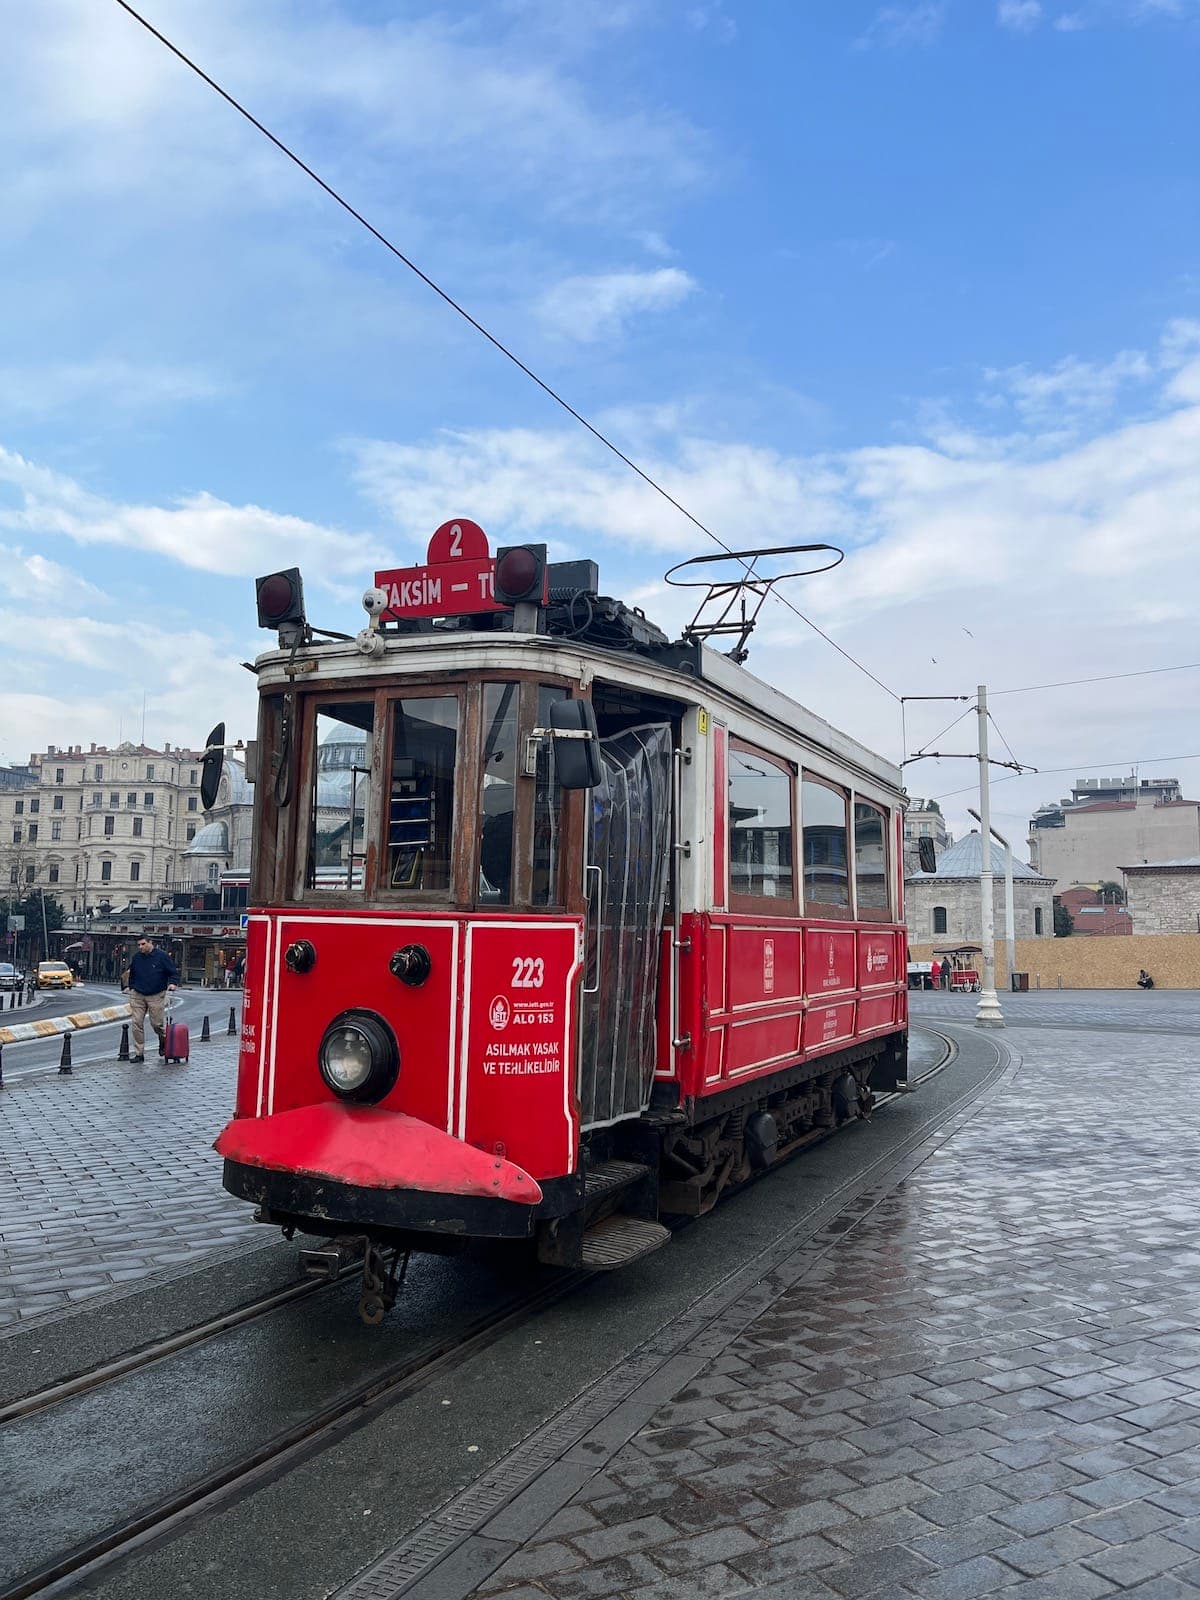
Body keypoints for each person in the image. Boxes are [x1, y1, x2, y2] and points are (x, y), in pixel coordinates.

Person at [122, 937, 179, 1062]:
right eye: (139, 945)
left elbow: (172, 972)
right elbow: (132, 973)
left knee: (157, 1024)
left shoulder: (162, 956)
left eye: (143, 944)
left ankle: (163, 1042)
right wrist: (130, 987)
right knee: (136, 1023)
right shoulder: (137, 957)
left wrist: (173, 983)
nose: (141, 947)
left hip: (156, 994)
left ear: (150, 943)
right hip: (138, 994)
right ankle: (139, 1053)